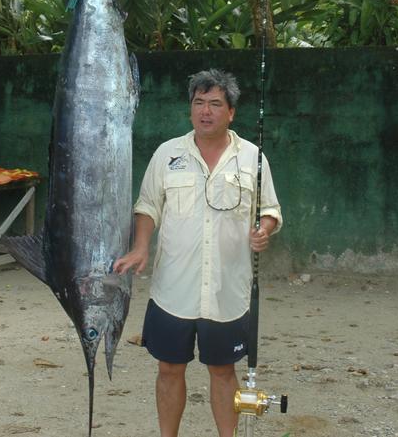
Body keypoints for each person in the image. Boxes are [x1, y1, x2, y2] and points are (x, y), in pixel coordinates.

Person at [114, 68, 282, 437]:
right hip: (173, 288)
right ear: (191, 108)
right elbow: (147, 206)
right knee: (169, 369)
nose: (206, 111)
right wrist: (141, 245)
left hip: (228, 290)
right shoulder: (167, 154)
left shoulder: (252, 158)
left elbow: (270, 210)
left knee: (223, 372)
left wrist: (263, 231)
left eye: (215, 104)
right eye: (199, 103)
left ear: (231, 112)